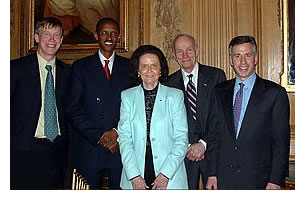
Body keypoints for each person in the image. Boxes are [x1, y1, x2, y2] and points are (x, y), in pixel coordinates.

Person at [206, 35, 290, 190]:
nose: (243, 62)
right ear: (231, 61)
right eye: (237, 56)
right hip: (224, 180)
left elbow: (281, 142)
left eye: (248, 55)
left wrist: (276, 180)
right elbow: (213, 135)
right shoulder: (219, 92)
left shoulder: (275, 94)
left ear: (256, 58)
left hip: (260, 181)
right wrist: (211, 173)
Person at [66, 17, 130, 189]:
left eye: (113, 33)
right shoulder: (81, 67)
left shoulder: (130, 67)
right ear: (96, 36)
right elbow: (73, 108)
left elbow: (134, 109)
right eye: (104, 33)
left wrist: (116, 133)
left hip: (120, 149)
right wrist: (100, 136)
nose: (109, 37)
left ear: (118, 37)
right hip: (89, 148)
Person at [10, 17, 71, 189]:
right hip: (27, 147)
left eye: (56, 35)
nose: (52, 40)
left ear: (61, 40)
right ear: (36, 37)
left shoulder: (68, 73)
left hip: (58, 148)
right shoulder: (15, 69)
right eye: (46, 34)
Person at [118, 45, 189, 190]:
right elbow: (124, 138)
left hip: (170, 175)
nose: (149, 71)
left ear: (161, 69)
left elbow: (181, 139)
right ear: (138, 70)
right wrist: (134, 176)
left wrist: (165, 174)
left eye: (154, 66)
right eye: (144, 66)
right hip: (136, 172)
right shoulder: (127, 96)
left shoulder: (175, 96)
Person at [167, 34, 226, 189]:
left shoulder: (216, 76)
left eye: (189, 50)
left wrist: (203, 143)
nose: (185, 55)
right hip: (183, 157)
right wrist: (187, 146)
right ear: (174, 55)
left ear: (197, 50)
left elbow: (221, 117)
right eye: (179, 51)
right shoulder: (168, 84)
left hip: (212, 153)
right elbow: (168, 123)